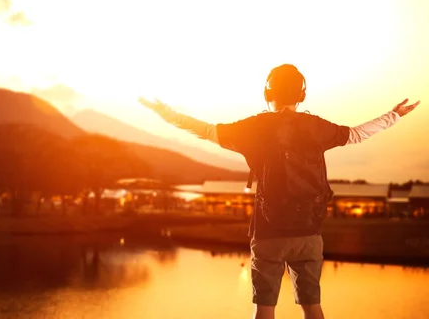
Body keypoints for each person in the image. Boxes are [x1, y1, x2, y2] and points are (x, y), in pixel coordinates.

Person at [139, 63, 420, 319]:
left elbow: (206, 130)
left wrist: (167, 114)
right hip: (309, 231)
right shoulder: (316, 127)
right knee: (312, 306)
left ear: (266, 93)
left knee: (264, 308)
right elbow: (358, 133)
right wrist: (394, 115)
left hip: (268, 231)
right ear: (302, 96)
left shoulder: (253, 128)